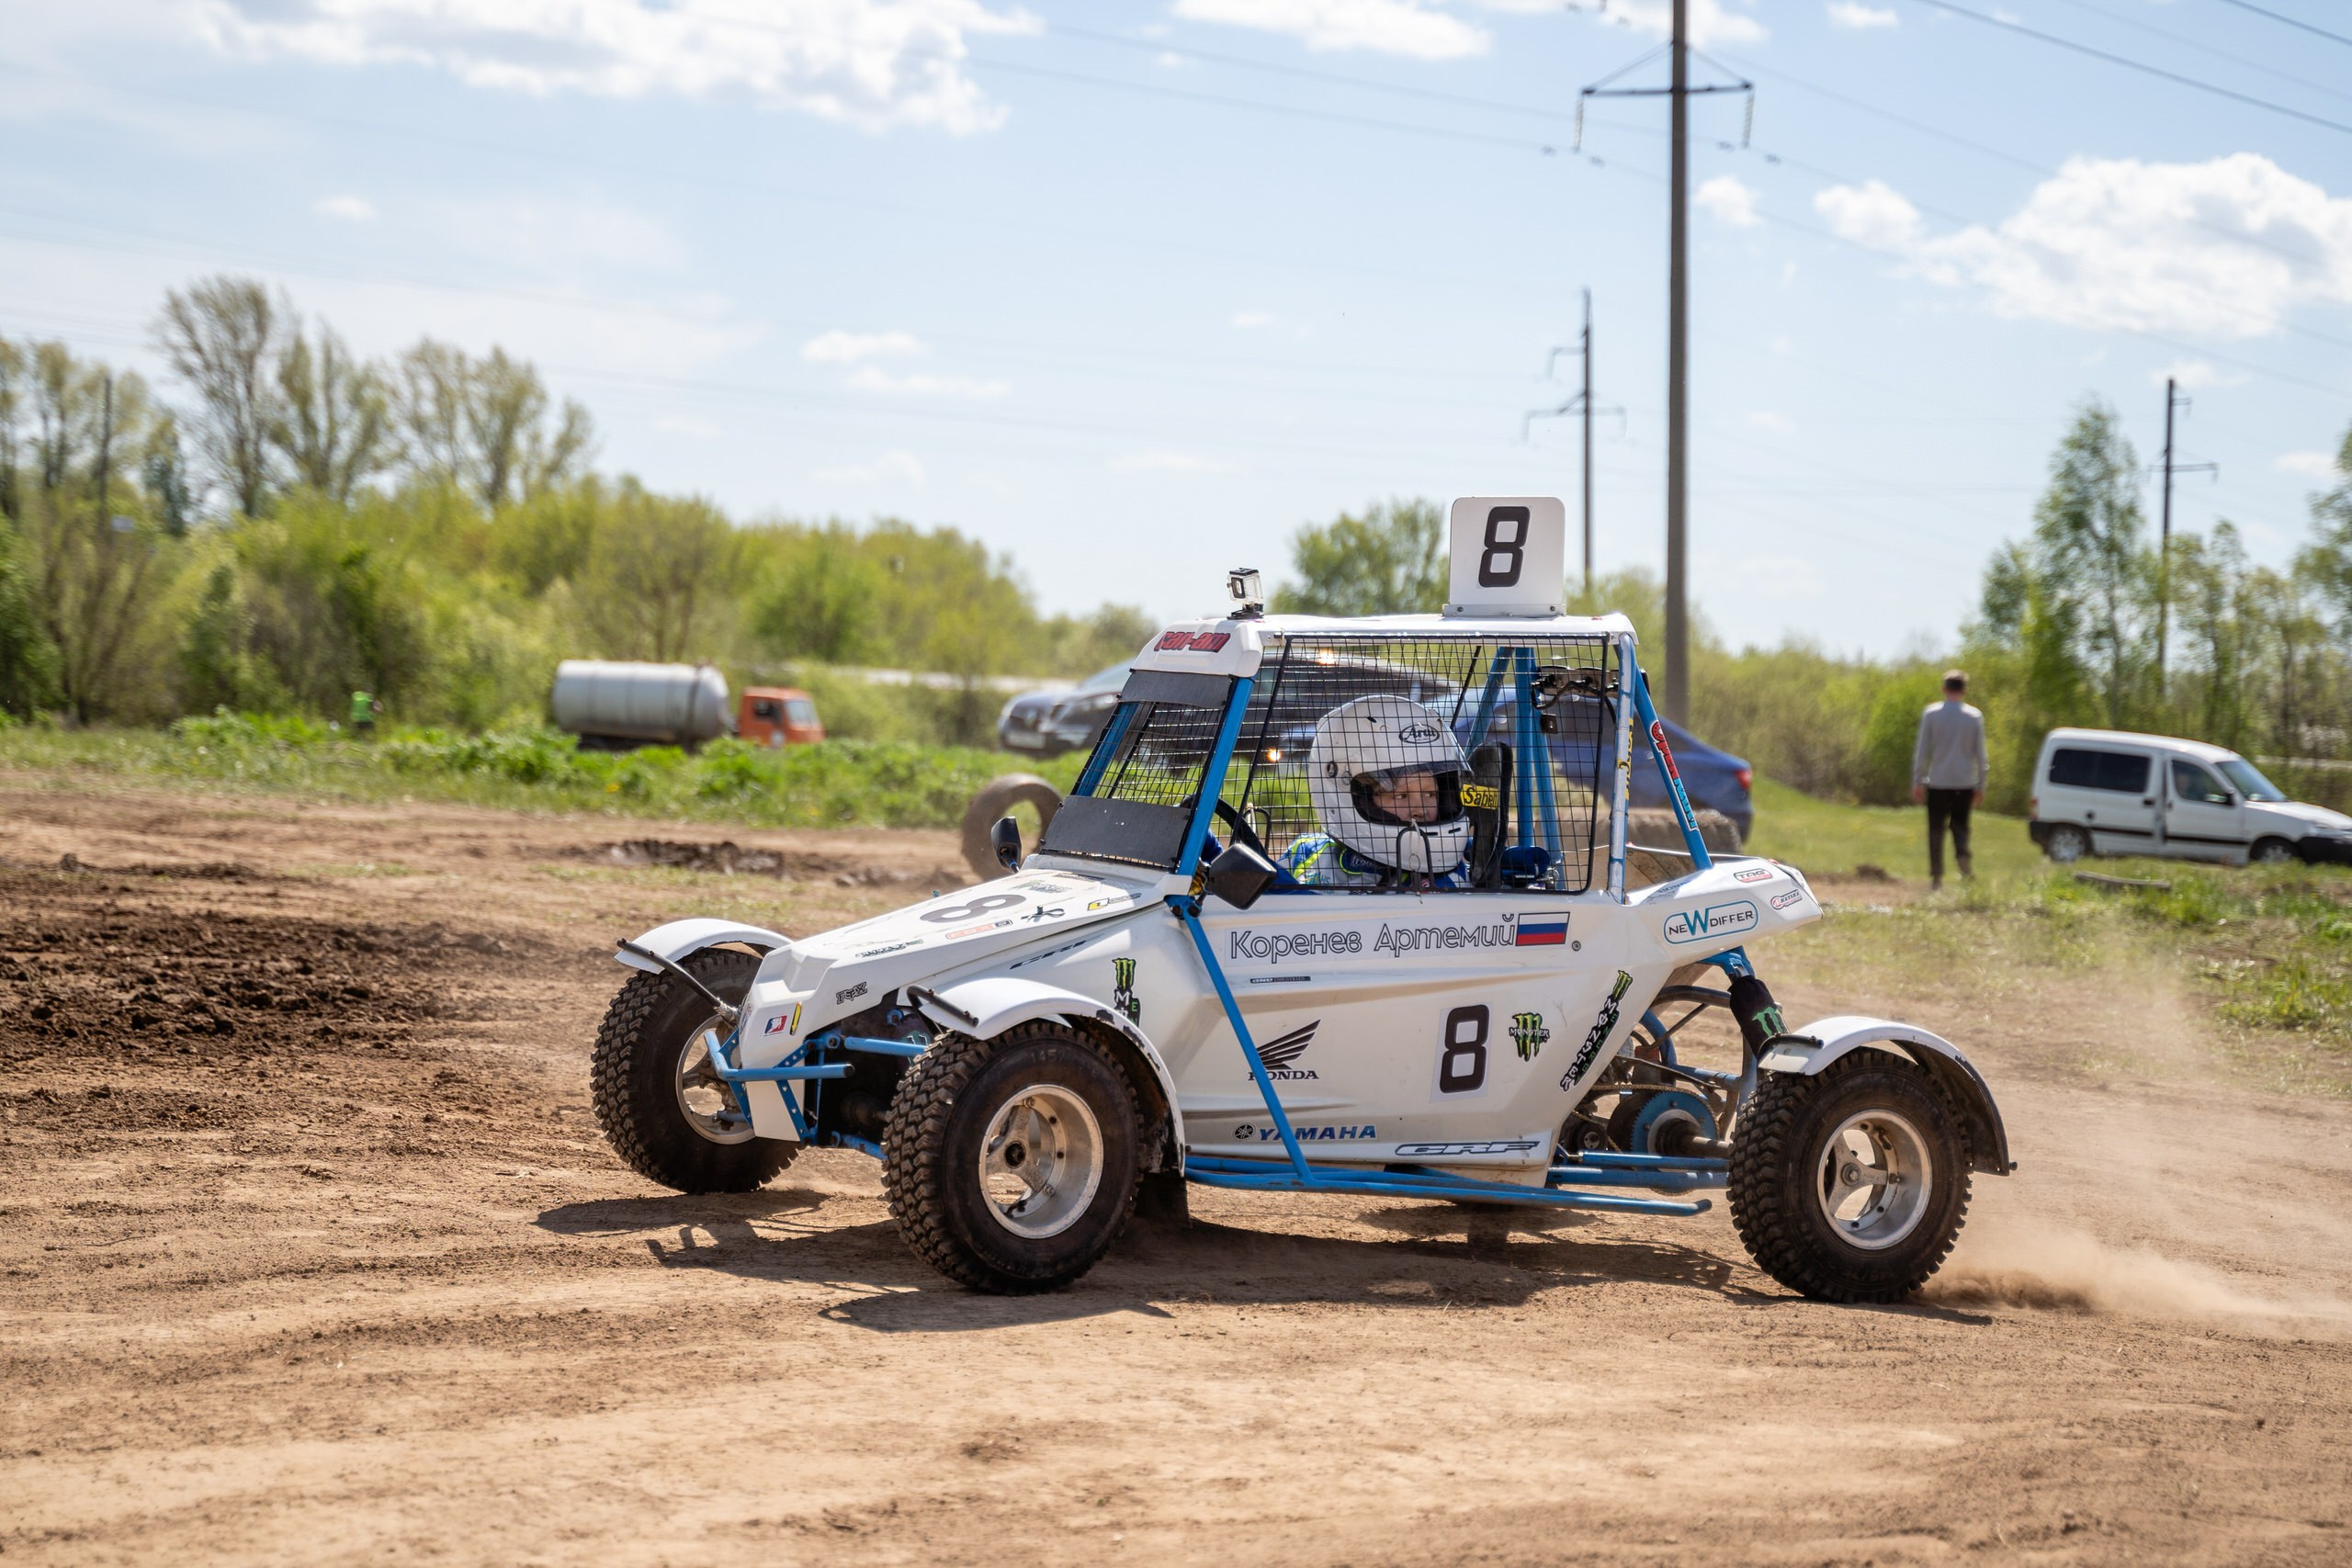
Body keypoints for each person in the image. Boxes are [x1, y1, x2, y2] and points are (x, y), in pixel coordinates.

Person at [1282, 695, 1472, 888]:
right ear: (1352, 795)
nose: (1420, 810)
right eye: (1401, 795)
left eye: (1430, 794)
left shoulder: (1457, 873)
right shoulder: (1307, 854)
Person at [1911, 670, 1987, 890]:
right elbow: (1981, 755)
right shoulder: (1974, 717)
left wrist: (1917, 780)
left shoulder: (1932, 714)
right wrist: (1981, 784)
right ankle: (1964, 866)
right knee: (1961, 827)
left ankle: (1936, 877)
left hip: (1937, 782)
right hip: (1964, 783)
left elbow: (1922, 750)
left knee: (1936, 830)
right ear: (1964, 690)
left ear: (1945, 689)